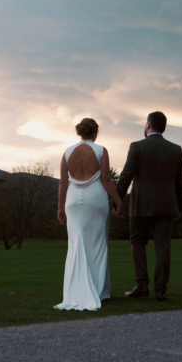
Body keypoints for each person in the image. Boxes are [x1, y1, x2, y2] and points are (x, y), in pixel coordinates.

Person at [55, 118, 124, 311]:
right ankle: (98, 290)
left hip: (73, 201)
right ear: (96, 132)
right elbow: (107, 180)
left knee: (76, 244)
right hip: (96, 199)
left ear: (80, 132)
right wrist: (119, 202)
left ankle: (76, 292)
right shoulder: (101, 150)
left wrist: (60, 208)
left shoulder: (67, 152)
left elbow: (63, 183)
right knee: (98, 245)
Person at [117, 111, 182, 301]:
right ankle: (160, 290)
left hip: (140, 205)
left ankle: (142, 286)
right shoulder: (176, 149)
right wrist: (178, 208)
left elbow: (126, 176)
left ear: (148, 125)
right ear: (163, 127)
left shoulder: (137, 146)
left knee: (137, 243)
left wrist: (116, 201)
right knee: (163, 246)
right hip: (166, 206)